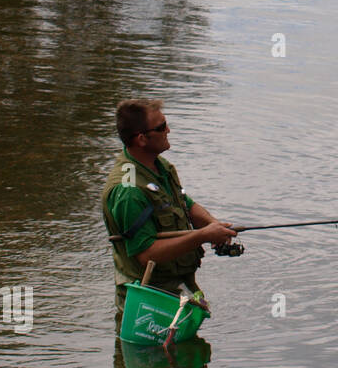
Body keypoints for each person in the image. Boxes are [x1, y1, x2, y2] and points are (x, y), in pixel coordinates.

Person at [100, 99, 236, 313]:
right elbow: (146, 255)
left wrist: (214, 225)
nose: (169, 130)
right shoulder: (129, 191)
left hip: (179, 288)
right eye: (161, 127)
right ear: (141, 139)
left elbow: (186, 204)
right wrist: (203, 236)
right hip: (149, 301)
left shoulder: (160, 166)